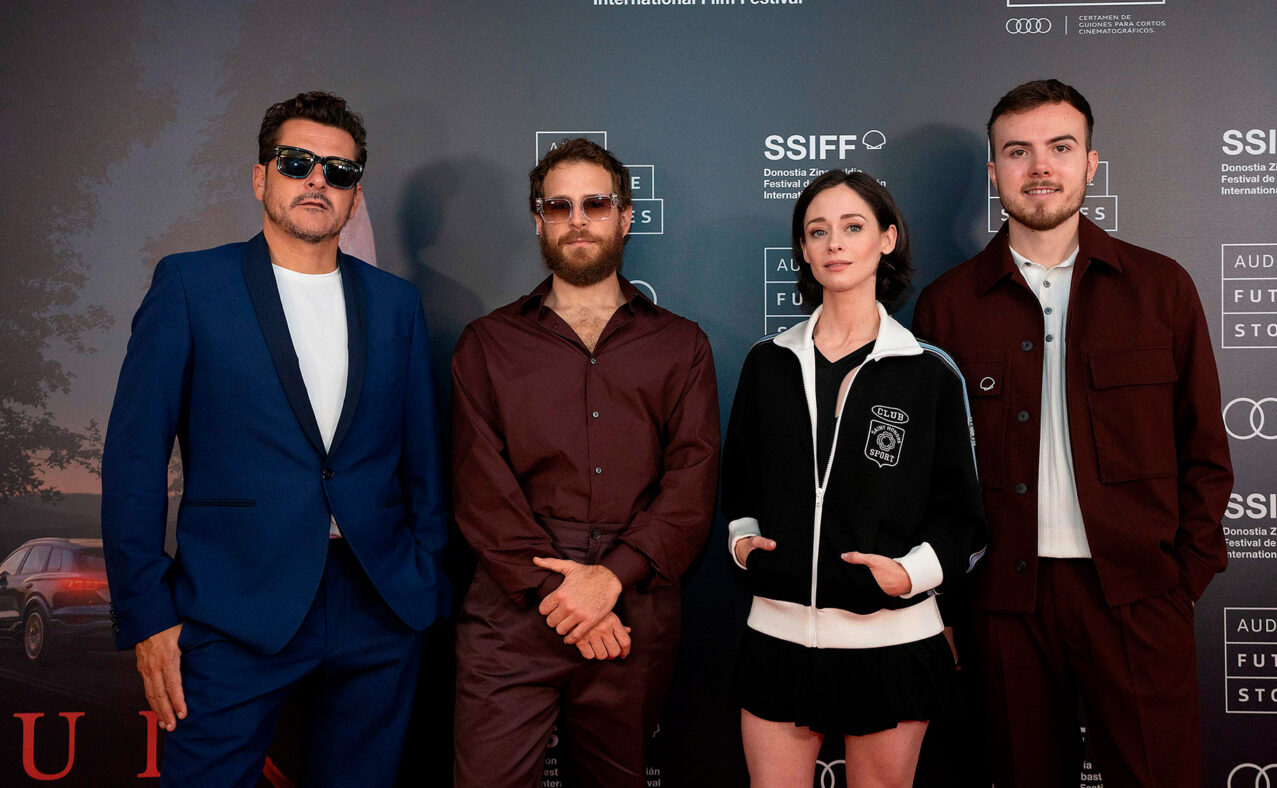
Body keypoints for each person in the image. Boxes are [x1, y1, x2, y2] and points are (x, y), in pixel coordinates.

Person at [101, 92, 448, 786]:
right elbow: (134, 459)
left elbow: (423, 464)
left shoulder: (396, 305)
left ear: (354, 197)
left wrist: (425, 578)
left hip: (377, 602)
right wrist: (147, 616)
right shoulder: (191, 285)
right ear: (262, 178)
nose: (318, 180)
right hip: (231, 603)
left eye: (338, 171)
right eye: (297, 163)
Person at [913, 79, 1233, 787]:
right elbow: (928, 475)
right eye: (1017, 151)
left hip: (1139, 594)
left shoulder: (1162, 288)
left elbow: (1205, 450)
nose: (1040, 168)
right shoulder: (947, 307)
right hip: (1001, 603)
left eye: (1060, 147)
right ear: (993, 172)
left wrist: (1183, 579)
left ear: (1091, 163)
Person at [451, 138, 721, 788]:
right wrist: (564, 593)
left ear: (625, 216)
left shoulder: (679, 345)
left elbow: (691, 486)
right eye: (560, 205)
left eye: (595, 203)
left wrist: (611, 581)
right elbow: (479, 488)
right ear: (538, 219)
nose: (578, 219)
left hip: (633, 608)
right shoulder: (488, 343)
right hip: (513, 604)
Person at [723, 170, 987, 787]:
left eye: (853, 227)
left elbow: (962, 516)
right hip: (778, 636)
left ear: (887, 240)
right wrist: (742, 543)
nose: (834, 243)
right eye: (818, 231)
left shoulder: (928, 373)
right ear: (804, 251)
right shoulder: (768, 363)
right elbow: (739, 488)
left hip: (893, 643)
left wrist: (909, 575)